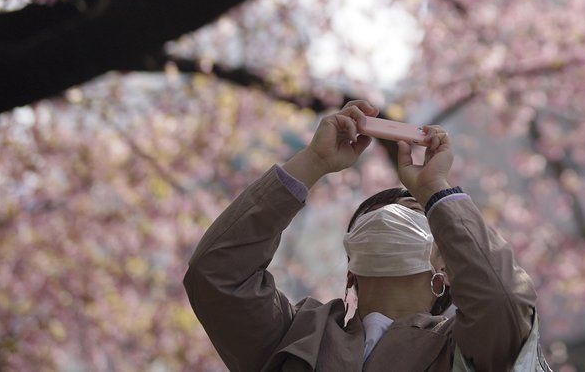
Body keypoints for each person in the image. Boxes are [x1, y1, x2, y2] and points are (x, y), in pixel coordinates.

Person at [184, 99, 540, 371]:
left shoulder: (464, 348)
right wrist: (313, 161)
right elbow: (217, 274)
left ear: (446, 269)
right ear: (351, 267)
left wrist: (435, 190)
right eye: (372, 219)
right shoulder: (294, 335)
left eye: (414, 215)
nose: (388, 220)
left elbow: (503, 302)